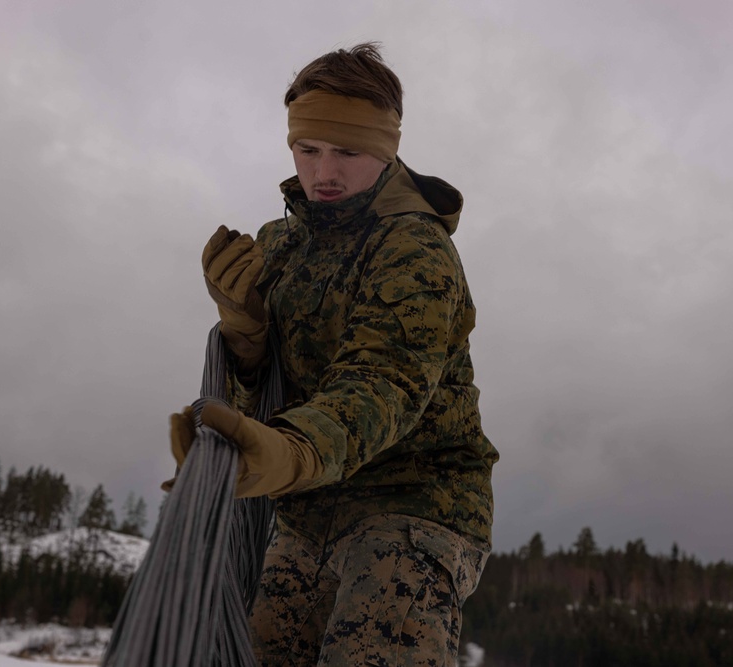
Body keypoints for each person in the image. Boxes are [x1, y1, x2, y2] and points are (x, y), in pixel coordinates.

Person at [169, 43, 498, 666]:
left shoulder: (415, 249)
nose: (324, 171)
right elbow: (263, 398)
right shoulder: (283, 245)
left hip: (414, 508)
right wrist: (244, 338)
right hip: (306, 513)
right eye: (307, 148)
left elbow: (383, 385)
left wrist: (291, 450)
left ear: (387, 147)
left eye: (347, 151)